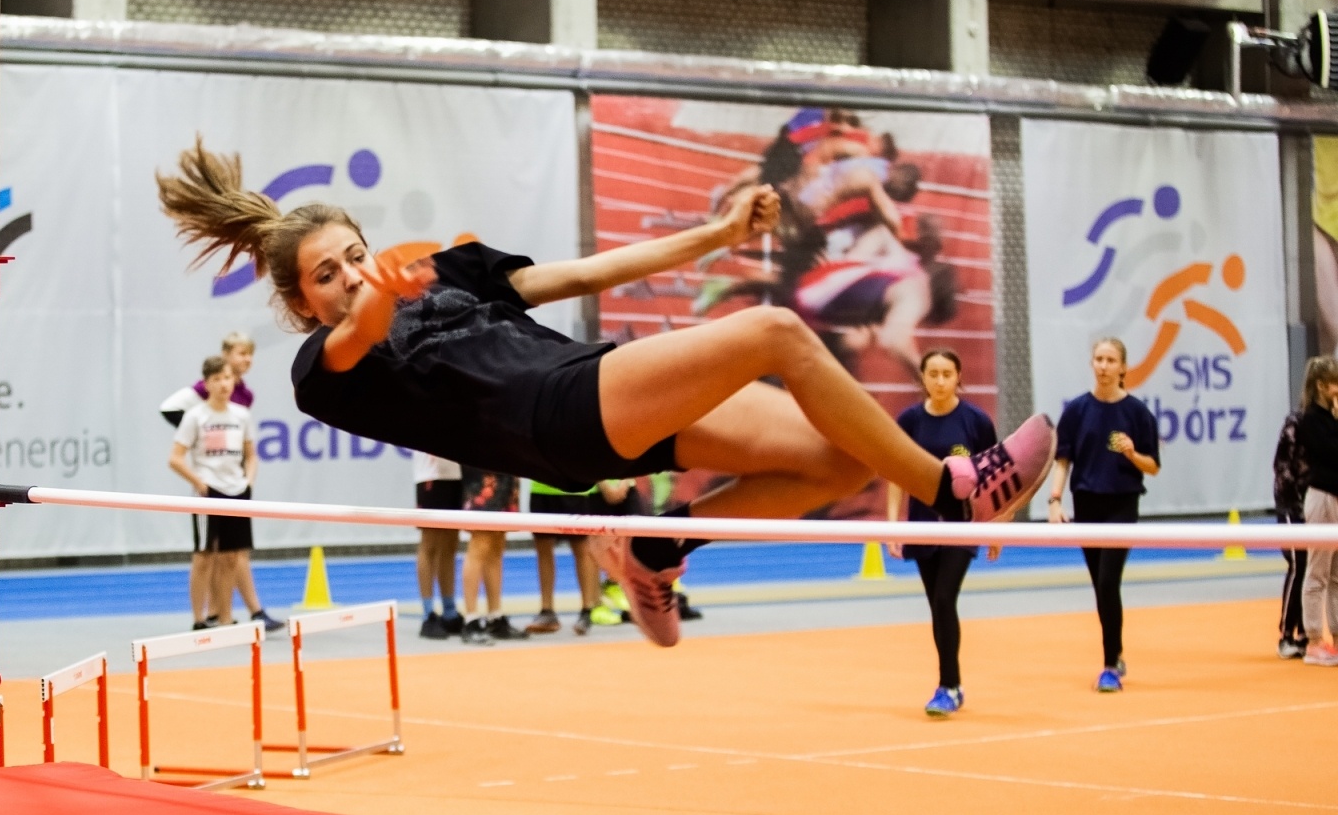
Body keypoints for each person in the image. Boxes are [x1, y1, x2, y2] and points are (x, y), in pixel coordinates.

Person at [155, 140, 1056, 648]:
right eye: (325, 276)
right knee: (777, 333)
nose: (348, 278)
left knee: (834, 458)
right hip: (551, 424)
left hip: (598, 384)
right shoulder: (323, 367)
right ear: (297, 301)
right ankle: (953, 491)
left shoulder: (449, 274)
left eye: (354, 255)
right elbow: (359, 333)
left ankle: (660, 550)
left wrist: (715, 233)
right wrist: (388, 286)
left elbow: (588, 271)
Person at [886, 350, 999, 717]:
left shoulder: (976, 422)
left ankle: (947, 685)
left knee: (946, 598)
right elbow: (895, 473)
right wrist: (891, 525)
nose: (939, 380)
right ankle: (953, 683)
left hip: (961, 528)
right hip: (921, 525)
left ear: (958, 377)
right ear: (922, 378)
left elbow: (995, 480)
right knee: (937, 605)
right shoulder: (909, 421)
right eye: (932, 373)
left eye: (946, 373)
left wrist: (995, 527)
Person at [1045, 338, 1161, 692]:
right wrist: (1054, 501)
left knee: (1109, 582)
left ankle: (1110, 664)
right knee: (1101, 586)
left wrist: (1131, 454)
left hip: (1122, 504)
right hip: (1087, 504)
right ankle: (1117, 651)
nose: (1104, 365)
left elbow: (1153, 466)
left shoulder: (1138, 414)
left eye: (1111, 360)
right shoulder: (1077, 411)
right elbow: (1062, 460)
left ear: (1123, 367)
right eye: (1098, 358)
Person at [160, 333, 282, 632]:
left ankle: (223, 614)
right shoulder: (195, 408)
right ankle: (205, 617)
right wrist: (199, 471)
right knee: (206, 555)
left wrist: (248, 479)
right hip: (208, 486)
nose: (247, 360)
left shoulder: (243, 407)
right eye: (241, 353)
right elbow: (168, 413)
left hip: (236, 486)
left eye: (249, 355)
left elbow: (251, 452)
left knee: (231, 555)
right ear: (209, 382)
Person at [1273, 360, 1328, 660]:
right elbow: (1282, 467)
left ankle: (1310, 630)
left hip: (1321, 502)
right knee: (1300, 563)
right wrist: (1294, 505)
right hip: (1293, 504)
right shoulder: (1296, 422)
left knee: (1325, 568)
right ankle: (1287, 632)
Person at [527, 481, 620, 636]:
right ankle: (547, 611)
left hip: (575, 489)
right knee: (543, 548)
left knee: (582, 548)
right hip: (541, 486)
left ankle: (587, 610)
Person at [1298, 357, 1338, 667]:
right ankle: (1313, 641)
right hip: (1322, 496)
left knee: (1337, 574)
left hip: (1336, 497)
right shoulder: (1310, 419)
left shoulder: (1332, 418)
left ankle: (1336, 638)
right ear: (1323, 386)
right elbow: (1330, 455)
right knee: (1317, 571)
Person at [460, 470, 527, 644]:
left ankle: (495, 616)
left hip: (506, 468)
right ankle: (471, 619)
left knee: (497, 542)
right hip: (482, 468)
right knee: (480, 541)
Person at [413, 449, 464, 639]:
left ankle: (449, 611)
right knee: (430, 543)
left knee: (451, 543)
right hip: (431, 473)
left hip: (459, 472)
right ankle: (428, 614)